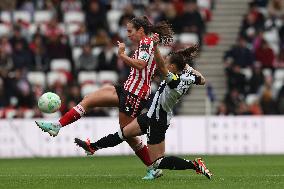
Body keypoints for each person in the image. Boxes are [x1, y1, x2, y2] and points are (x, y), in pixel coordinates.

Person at [35, 16, 174, 177]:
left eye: (130, 31)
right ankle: (57, 126)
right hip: (127, 88)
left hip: (135, 94)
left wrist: (121, 55)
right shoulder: (145, 43)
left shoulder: (145, 43)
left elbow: (140, 65)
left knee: (127, 133)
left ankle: (153, 167)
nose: (128, 35)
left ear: (140, 30)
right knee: (89, 99)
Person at [74, 41, 212, 180]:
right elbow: (203, 80)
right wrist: (187, 66)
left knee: (158, 161)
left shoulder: (174, 80)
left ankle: (195, 165)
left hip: (157, 120)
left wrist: (156, 47)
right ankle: (93, 147)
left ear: (172, 67)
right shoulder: (188, 76)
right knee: (124, 133)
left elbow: (161, 66)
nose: (164, 62)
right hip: (152, 115)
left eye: (167, 61)